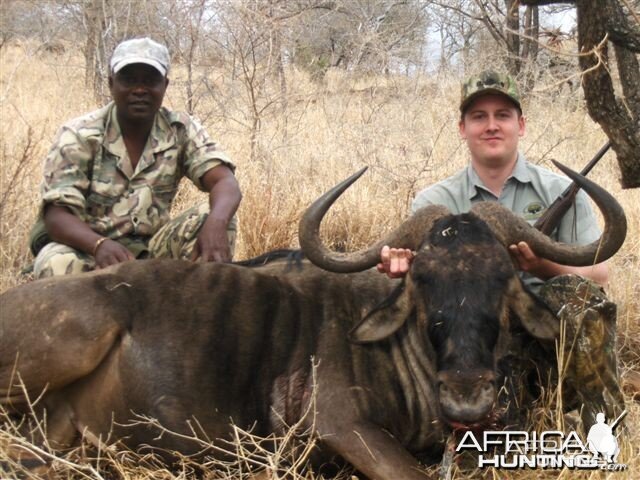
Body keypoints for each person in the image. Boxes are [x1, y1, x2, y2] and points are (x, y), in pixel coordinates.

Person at [377, 70, 624, 429]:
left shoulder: (560, 190)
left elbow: (600, 274)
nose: (491, 126)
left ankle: (606, 425)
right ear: (463, 128)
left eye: (502, 115)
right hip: (479, 343)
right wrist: (404, 268)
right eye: (479, 117)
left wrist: (542, 266)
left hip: (552, 330)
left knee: (580, 297)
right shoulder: (435, 201)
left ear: (520, 125)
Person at [32, 37, 241, 278]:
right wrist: (99, 245)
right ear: (111, 84)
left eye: (150, 80)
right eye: (129, 79)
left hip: (153, 250)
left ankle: (194, 311)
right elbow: (56, 215)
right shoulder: (80, 134)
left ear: (165, 85)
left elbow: (224, 182)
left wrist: (216, 223)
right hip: (89, 248)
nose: (140, 89)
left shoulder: (180, 128)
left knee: (214, 215)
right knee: (57, 262)